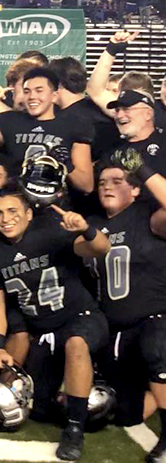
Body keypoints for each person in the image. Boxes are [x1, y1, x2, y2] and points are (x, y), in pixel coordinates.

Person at [0, 184, 109, 461]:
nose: (5, 218)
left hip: (80, 318)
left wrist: (86, 229)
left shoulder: (50, 232)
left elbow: (100, 249)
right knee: (40, 411)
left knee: (76, 343)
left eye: (12, 211)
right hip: (44, 331)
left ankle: (74, 429)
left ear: (28, 214)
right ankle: (69, 396)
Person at [87, 151, 166, 458]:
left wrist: (141, 168)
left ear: (135, 189)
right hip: (117, 328)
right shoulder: (93, 225)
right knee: (123, 414)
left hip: (156, 318)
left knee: (156, 349)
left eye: (118, 181)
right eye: (103, 181)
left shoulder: (149, 216)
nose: (107, 186)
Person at [0, 66, 94, 194]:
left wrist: (66, 165)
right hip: (15, 203)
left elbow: (86, 186)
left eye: (39, 90)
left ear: (54, 96)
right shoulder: (10, 120)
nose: (32, 97)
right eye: (27, 91)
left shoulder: (73, 125)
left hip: (53, 205)